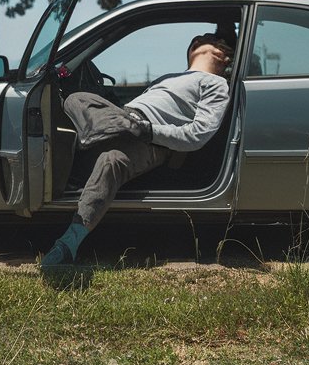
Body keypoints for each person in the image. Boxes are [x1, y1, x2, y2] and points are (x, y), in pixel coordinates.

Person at [40, 31, 234, 268]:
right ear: (195, 47)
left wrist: (148, 131)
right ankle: (98, 142)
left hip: (151, 141)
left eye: (221, 48)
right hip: (121, 118)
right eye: (211, 43)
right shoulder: (166, 78)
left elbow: (198, 135)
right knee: (77, 99)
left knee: (110, 161)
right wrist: (125, 120)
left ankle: (68, 243)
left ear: (223, 59)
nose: (218, 49)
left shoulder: (215, 83)